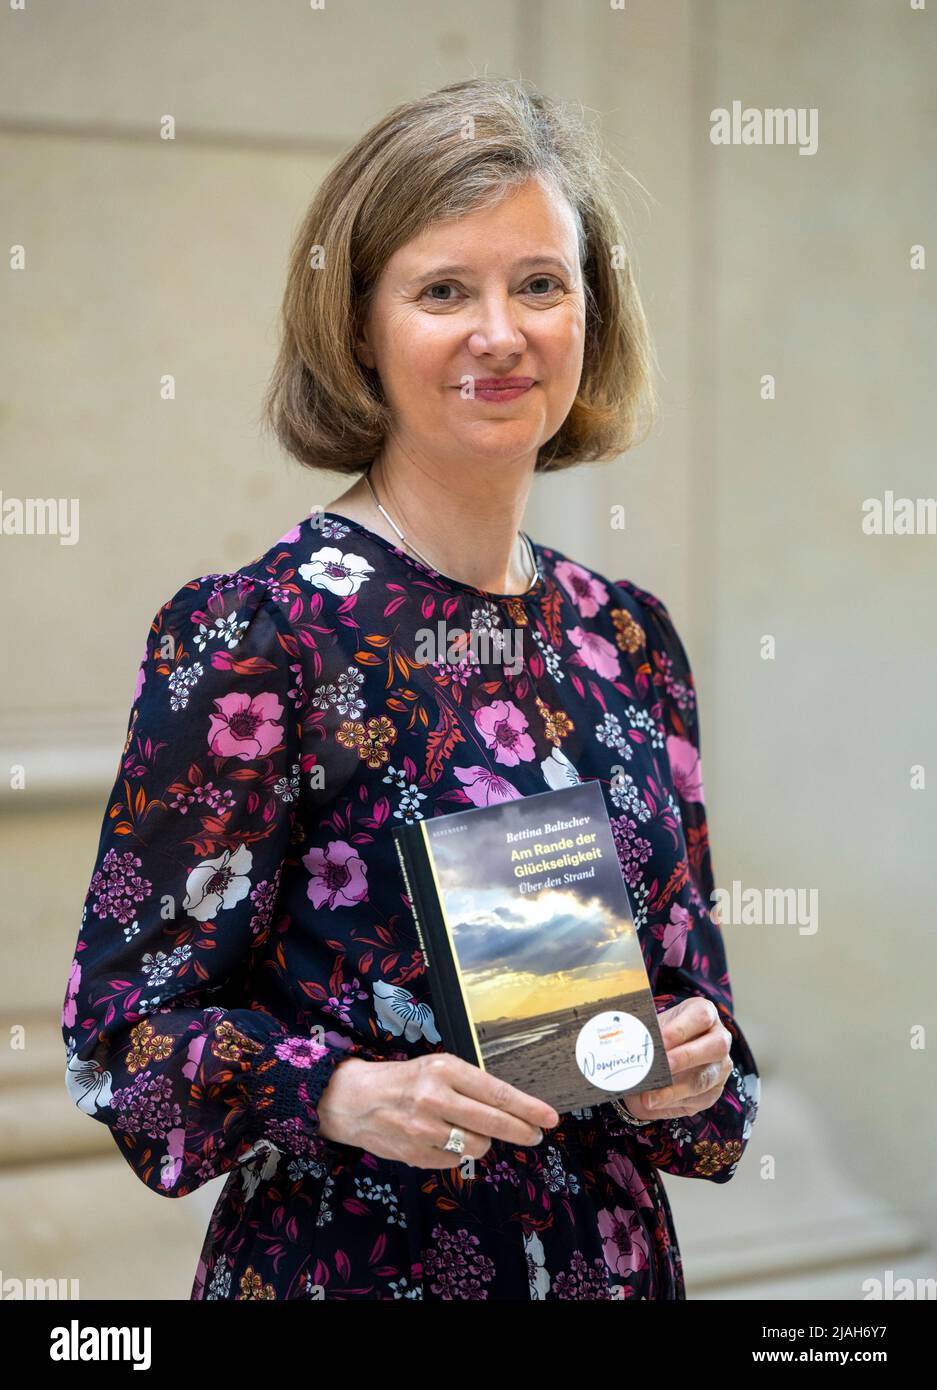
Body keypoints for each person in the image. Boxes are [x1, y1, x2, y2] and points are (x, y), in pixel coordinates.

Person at [61, 76, 759, 1301]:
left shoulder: (628, 639)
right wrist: (342, 1091)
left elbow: (693, 1018)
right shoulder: (255, 635)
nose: (502, 331)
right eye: (445, 290)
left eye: (540, 283)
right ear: (361, 328)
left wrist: (688, 1063)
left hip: (609, 1267)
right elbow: (121, 1042)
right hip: (356, 1271)